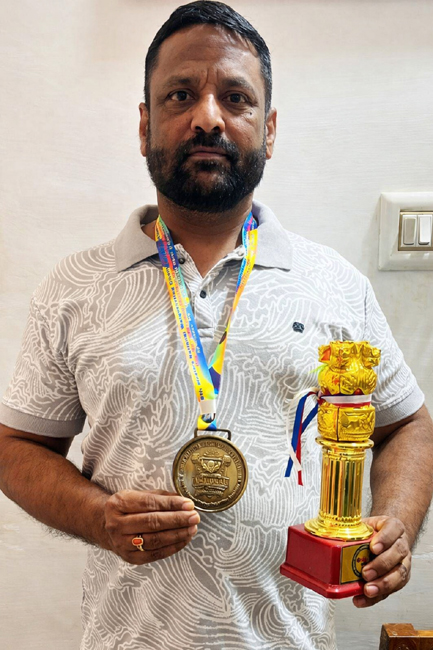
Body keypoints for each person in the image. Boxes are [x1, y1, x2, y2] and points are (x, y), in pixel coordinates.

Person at [0, 2, 432, 649]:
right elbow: (16, 447)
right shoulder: (75, 286)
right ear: (144, 125)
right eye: (180, 95)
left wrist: (395, 523)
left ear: (269, 129)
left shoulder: (335, 284)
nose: (208, 117)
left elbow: (407, 425)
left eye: (235, 97)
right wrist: (96, 516)